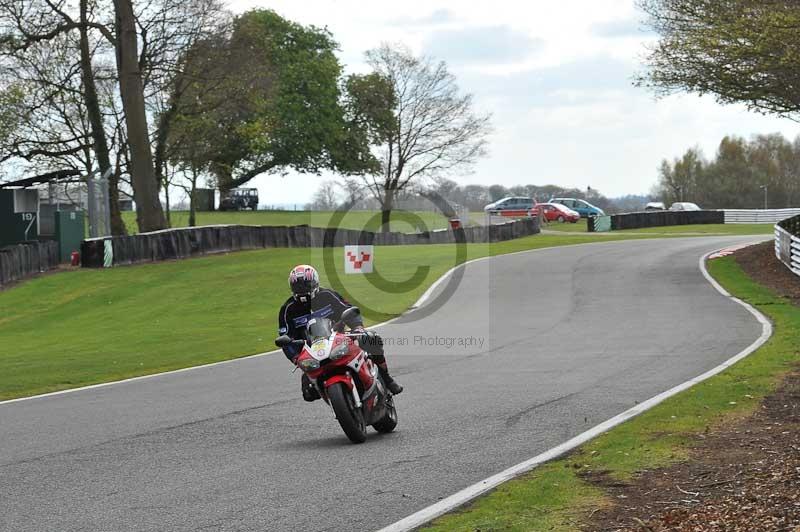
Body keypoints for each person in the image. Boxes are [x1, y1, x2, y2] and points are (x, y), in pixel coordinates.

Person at [278, 264, 403, 401]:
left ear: (315, 282)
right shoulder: (287, 309)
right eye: (298, 287)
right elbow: (285, 338)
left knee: (372, 339)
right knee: (309, 393)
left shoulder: (327, 295)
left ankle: (387, 379)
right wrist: (295, 357)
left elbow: (347, 309)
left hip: (339, 339)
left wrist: (358, 327)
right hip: (311, 350)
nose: (302, 290)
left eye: (305, 285)